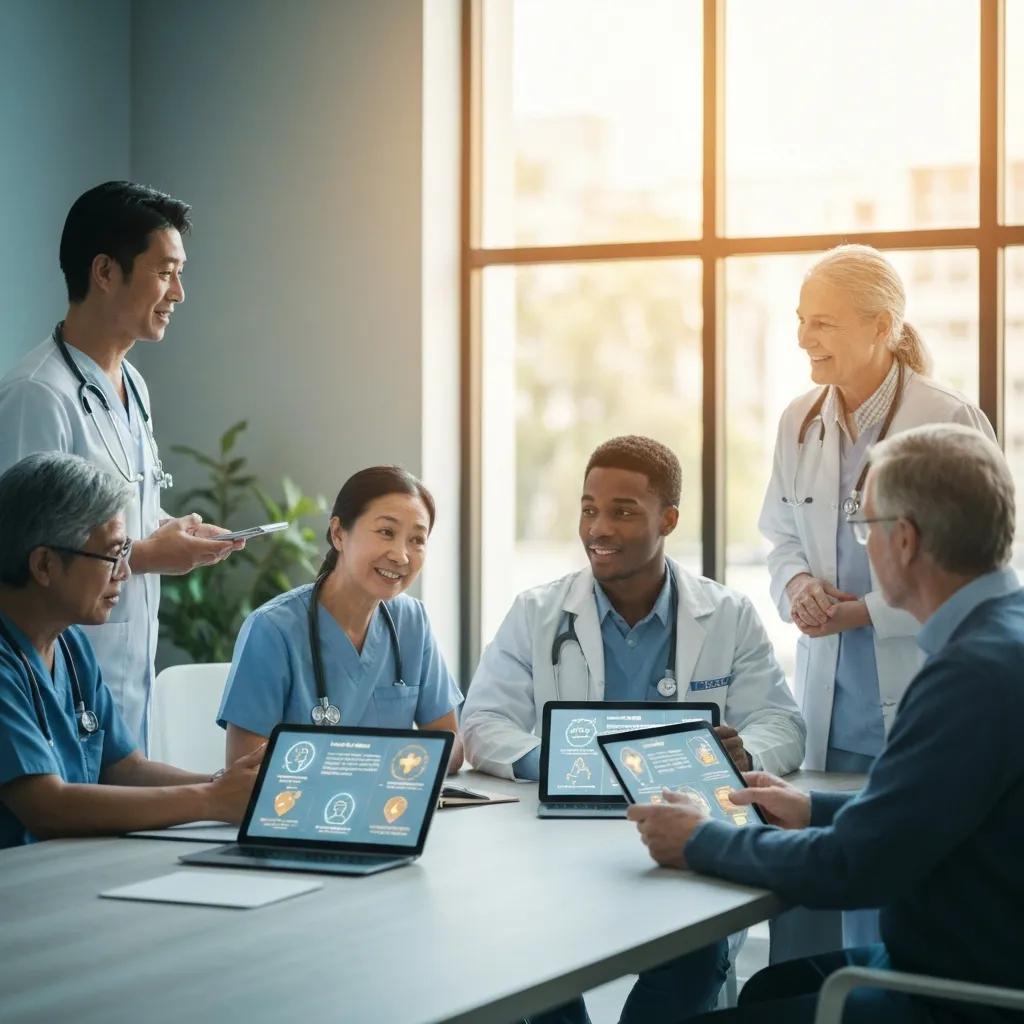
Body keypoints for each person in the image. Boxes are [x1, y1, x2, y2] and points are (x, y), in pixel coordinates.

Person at [628, 424, 1024, 1023]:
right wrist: (812, 809)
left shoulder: (969, 675)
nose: (863, 546)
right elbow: (930, 812)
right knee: (770, 990)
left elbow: (853, 867)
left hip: (959, 996)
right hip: (982, 958)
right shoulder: (1001, 638)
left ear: (905, 540)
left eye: (865, 528)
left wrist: (699, 840)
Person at [461, 436, 805, 1022]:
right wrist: (561, 762)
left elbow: (783, 722)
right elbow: (483, 721)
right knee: (528, 957)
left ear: (668, 519)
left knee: (692, 957)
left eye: (622, 512)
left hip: (686, 840)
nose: (599, 528)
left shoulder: (726, 614)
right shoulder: (537, 612)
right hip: (561, 845)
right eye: (589, 509)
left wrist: (745, 751)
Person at [0, 182, 243, 750]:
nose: (178, 292)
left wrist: (170, 529)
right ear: (106, 272)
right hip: (56, 678)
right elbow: (22, 555)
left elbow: (113, 514)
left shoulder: (131, 383)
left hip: (127, 675)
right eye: (165, 273)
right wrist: (153, 554)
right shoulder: (38, 393)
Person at [760, 244, 994, 777]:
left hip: (924, 691)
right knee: (827, 824)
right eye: (801, 320)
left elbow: (979, 571)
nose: (803, 338)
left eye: (823, 323)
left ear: (881, 326)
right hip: (829, 715)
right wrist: (798, 586)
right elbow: (781, 536)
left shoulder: (948, 418)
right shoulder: (798, 421)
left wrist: (865, 612)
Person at [0, 453, 262, 849]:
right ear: (44, 565)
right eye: (112, 555)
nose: (124, 572)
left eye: (126, 552)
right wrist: (212, 799)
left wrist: (231, 787)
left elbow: (125, 768)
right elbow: (48, 806)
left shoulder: (69, 645)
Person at [218, 466, 464, 771]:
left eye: (417, 540)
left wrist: (370, 765)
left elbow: (451, 746)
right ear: (338, 534)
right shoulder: (272, 629)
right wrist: (384, 762)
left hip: (389, 799)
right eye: (386, 532)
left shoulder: (413, 622)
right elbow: (245, 772)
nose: (401, 555)